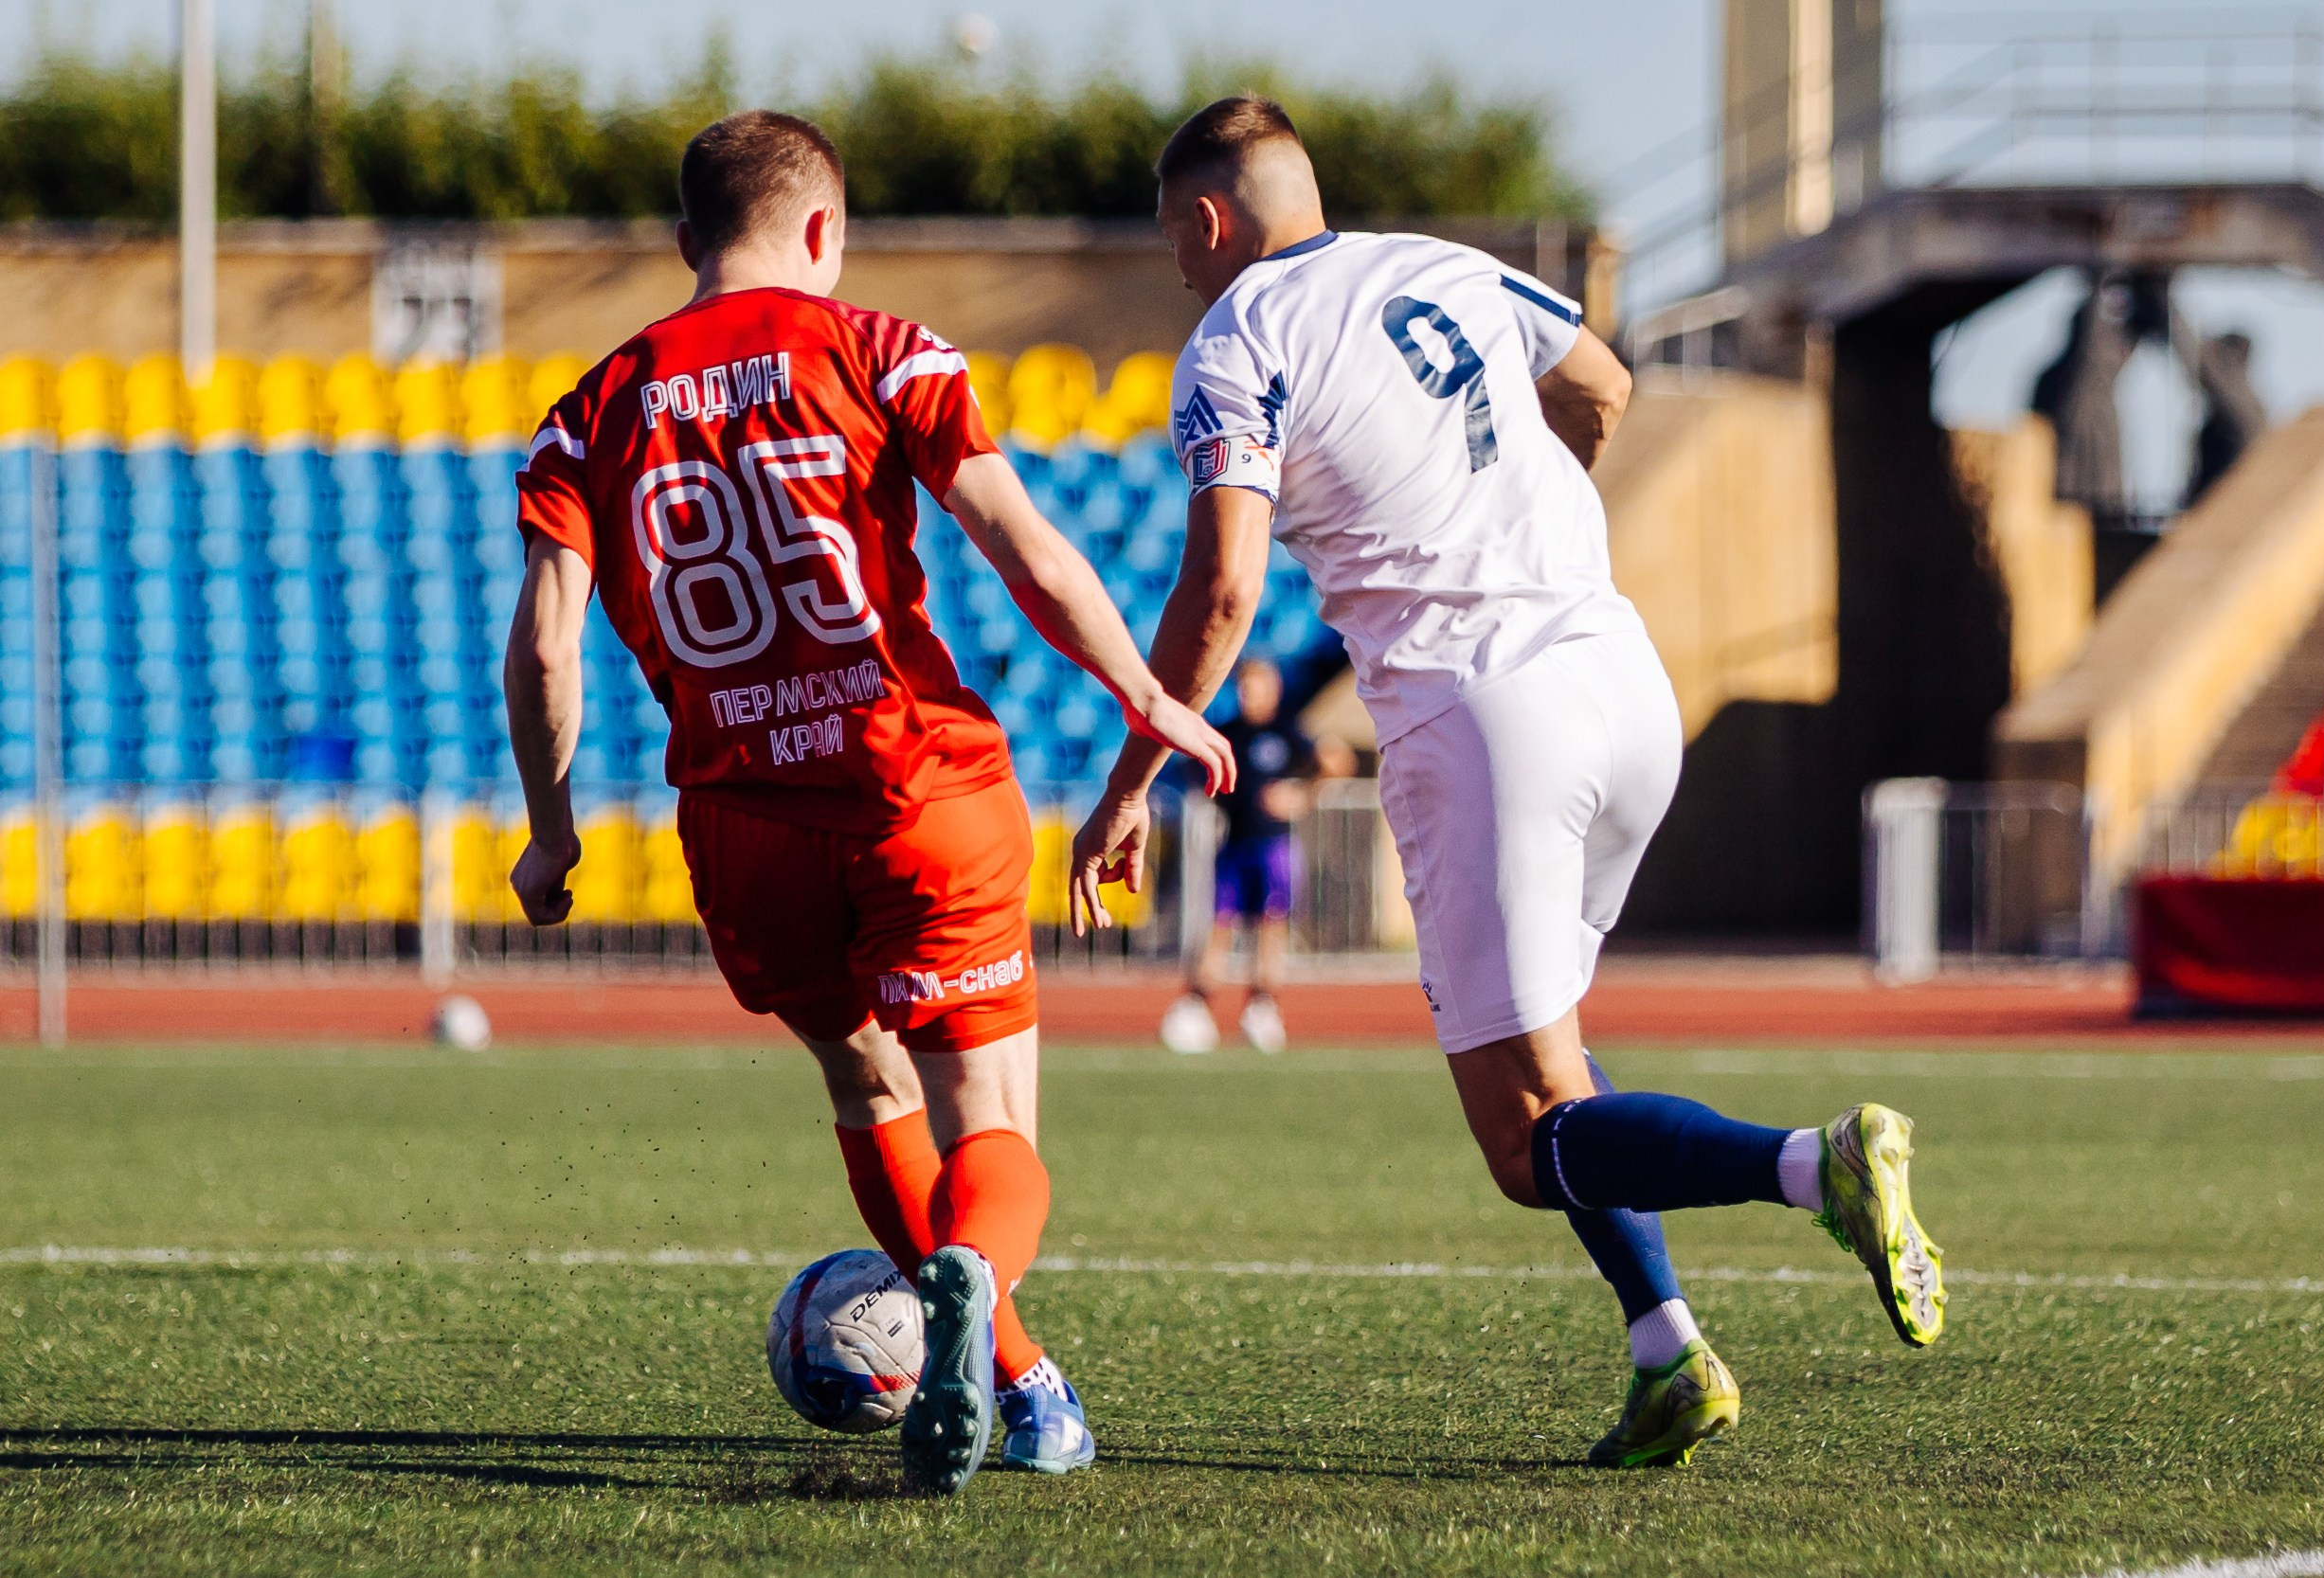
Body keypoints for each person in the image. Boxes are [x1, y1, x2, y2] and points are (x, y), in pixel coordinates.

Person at [1069, 97, 1944, 1470]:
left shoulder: (1234, 339)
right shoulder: (1444, 262)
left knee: (1527, 1136)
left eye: (1175, 237)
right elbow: (1600, 383)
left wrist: (1134, 768)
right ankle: (1665, 1354)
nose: (1178, 262)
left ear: (1205, 220)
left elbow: (1224, 584)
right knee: (1559, 1060)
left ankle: (1810, 1162)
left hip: (1481, 718)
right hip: (1616, 673)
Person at [502, 110, 1234, 1497]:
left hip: (740, 821)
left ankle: (1029, 1389)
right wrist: (1147, 696)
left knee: (862, 1082)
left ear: (683, 243)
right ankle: (972, 1280)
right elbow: (1020, 545)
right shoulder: (880, 348)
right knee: (991, 1126)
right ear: (823, 232)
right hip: (915, 786)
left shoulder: (586, 408)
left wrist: (549, 834)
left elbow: (543, 646)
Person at [1162, 655, 1313, 1054]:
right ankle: (1197, 1004)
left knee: (1271, 925)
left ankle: (1262, 1006)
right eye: (1245, 687)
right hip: (1234, 843)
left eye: (1259, 686)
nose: (1251, 695)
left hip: (1273, 846)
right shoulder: (1227, 733)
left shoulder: (1287, 732)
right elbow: (1190, 771)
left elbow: (1333, 762)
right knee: (1220, 925)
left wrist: (1302, 796)